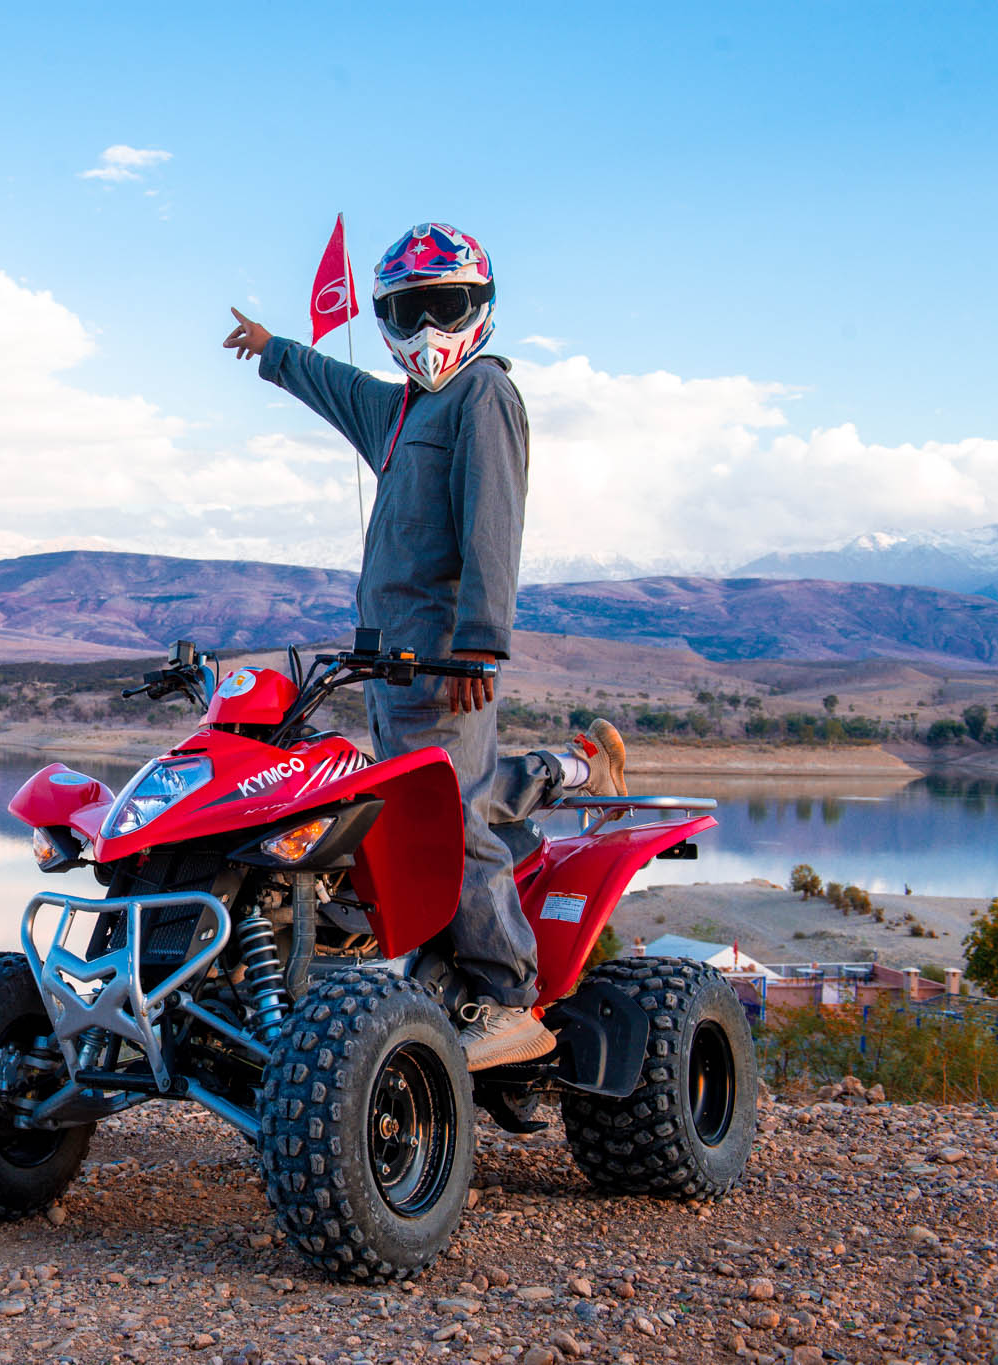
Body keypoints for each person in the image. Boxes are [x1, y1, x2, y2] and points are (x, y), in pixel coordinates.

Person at [223, 221, 629, 1070]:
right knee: (440, 792)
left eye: (442, 306)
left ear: (477, 306)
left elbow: (493, 523)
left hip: (444, 662)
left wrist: (480, 644)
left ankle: (509, 995)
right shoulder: (405, 408)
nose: (425, 328)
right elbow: (338, 385)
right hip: (391, 665)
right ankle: (579, 767)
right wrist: (273, 350)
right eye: (408, 310)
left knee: (448, 812)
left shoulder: (482, 394)